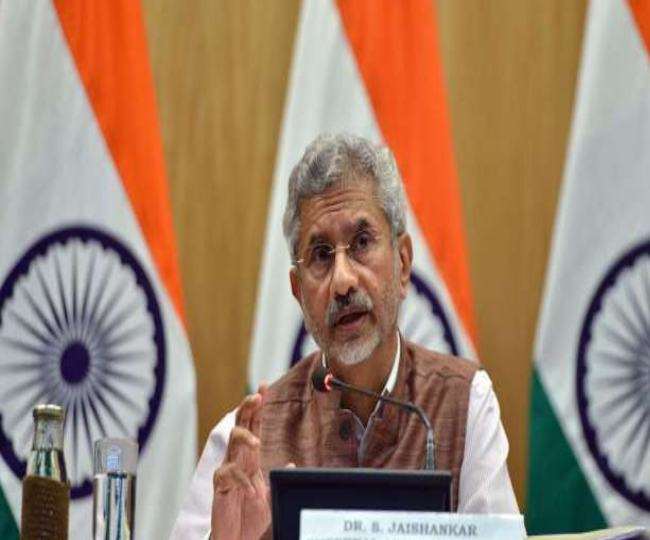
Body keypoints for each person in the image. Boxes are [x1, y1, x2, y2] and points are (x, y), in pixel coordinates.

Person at [170, 134, 518, 540]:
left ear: (403, 263)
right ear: (298, 292)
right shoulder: (246, 441)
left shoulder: (465, 402)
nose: (342, 281)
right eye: (321, 254)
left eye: (362, 243)